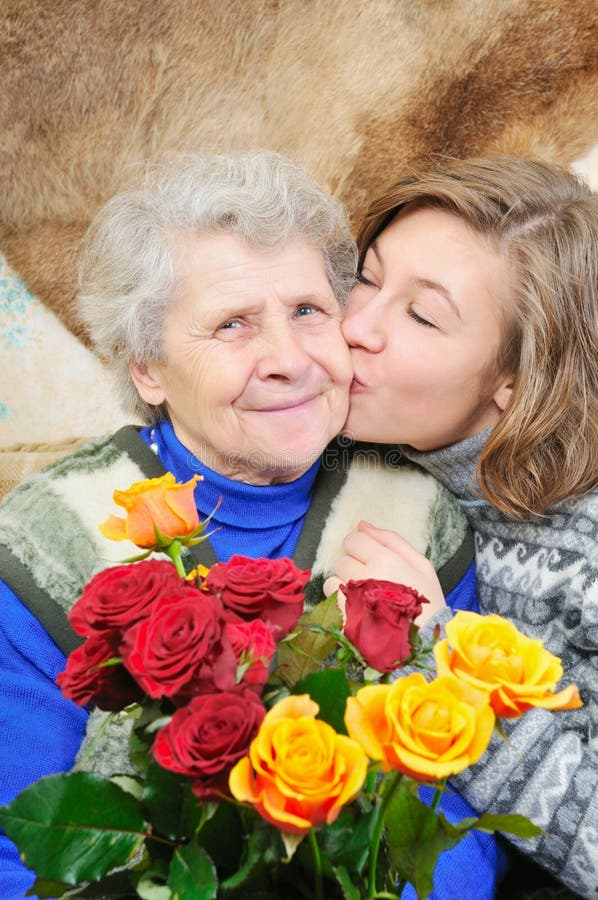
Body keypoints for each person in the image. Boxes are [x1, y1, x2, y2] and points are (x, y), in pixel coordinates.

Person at [0, 151, 477, 899]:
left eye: (309, 311)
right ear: (148, 367)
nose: (288, 359)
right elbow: (18, 849)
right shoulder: (41, 545)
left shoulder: (419, 519)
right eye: (232, 325)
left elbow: (456, 822)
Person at [326, 154, 598, 899]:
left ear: (514, 380)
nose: (357, 326)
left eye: (421, 315)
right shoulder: (341, 437)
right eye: (368, 278)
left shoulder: (585, 549)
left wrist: (441, 657)